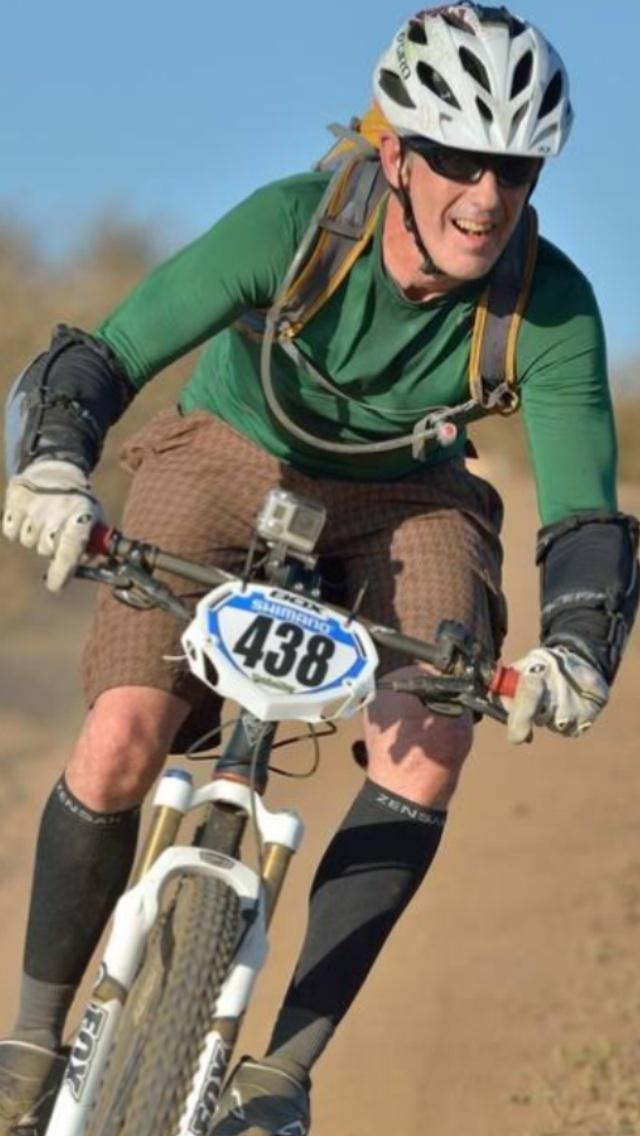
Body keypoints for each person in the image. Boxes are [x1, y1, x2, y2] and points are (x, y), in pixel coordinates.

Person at [1, 4, 638, 1134]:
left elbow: (586, 512)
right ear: (395, 155)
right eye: (457, 159)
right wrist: (54, 467)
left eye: (514, 168)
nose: (485, 196)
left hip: (412, 496)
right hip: (230, 447)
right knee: (120, 739)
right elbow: (108, 353)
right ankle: (29, 1043)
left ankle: (279, 1075)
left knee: (430, 743)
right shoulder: (295, 224)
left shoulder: (552, 307)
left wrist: (578, 645)